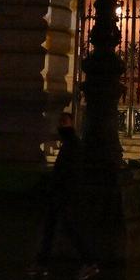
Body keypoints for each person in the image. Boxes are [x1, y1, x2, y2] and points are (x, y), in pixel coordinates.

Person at [36, 114, 94, 268]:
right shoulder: (70, 143)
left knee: (67, 228)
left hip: (65, 193)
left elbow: (69, 170)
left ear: (72, 124)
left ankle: (89, 262)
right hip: (62, 192)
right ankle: (42, 262)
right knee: (52, 228)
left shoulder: (72, 144)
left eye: (64, 122)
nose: (61, 126)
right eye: (60, 122)